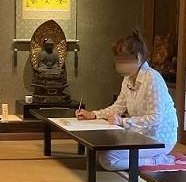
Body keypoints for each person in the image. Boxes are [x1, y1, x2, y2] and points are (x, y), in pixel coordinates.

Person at [75, 30, 179, 170]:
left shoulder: (152, 78)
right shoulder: (128, 78)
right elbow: (118, 106)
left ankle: (158, 160)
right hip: (138, 135)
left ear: (139, 57)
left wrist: (123, 122)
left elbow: (156, 118)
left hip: (158, 139)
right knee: (97, 151)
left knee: (108, 159)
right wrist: (93, 114)